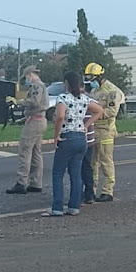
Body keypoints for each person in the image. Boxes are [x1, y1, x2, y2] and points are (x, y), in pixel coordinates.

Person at [43, 71, 103, 217]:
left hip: (67, 137)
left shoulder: (63, 98)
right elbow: (99, 111)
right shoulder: (84, 98)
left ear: (67, 84)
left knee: (58, 173)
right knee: (76, 174)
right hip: (81, 138)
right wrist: (86, 125)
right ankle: (74, 206)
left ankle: (57, 208)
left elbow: (60, 116)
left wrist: (56, 135)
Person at [84, 62, 125, 202]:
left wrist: (96, 114)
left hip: (105, 131)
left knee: (105, 161)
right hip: (93, 130)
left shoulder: (112, 91)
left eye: (93, 79)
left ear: (100, 76)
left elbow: (112, 111)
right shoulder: (94, 91)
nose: (91, 82)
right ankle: (92, 190)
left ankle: (108, 191)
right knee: (92, 162)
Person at [6, 65, 49, 194]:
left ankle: (21, 182)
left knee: (25, 151)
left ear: (30, 74)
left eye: (26, 77)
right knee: (36, 152)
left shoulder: (36, 86)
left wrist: (18, 102)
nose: (26, 79)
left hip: (34, 121)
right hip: (40, 119)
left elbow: (34, 102)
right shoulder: (42, 86)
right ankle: (36, 182)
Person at [81, 83, 97, 205]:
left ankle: (81, 193)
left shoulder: (76, 98)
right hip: (90, 139)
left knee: (77, 168)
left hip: (80, 138)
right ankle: (89, 194)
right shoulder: (91, 100)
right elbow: (99, 111)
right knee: (87, 167)